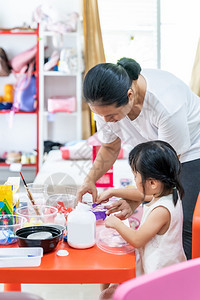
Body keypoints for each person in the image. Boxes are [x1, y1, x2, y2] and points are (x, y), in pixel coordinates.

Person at [76, 57, 200, 259]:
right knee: (152, 214)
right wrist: (89, 180)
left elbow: (163, 176)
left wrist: (134, 197)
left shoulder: (166, 104)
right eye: (100, 116)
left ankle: (184, 282)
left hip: (191, 150)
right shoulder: (105, 104)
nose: (106, 121)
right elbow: (109, 146)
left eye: (111, 116)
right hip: (156, 152)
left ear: (130, 95)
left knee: (180, 220)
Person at [99, 140, 186, 299]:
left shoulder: (161, 210)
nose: (134, 179)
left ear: (152, 183)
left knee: (108, 294)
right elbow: (143, 195)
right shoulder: (170, 193)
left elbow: (137, 240)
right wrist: (114, 192)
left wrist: (115, 222)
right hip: (167, 269)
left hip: (161, 280)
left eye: (135, 175)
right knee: (110, 289)